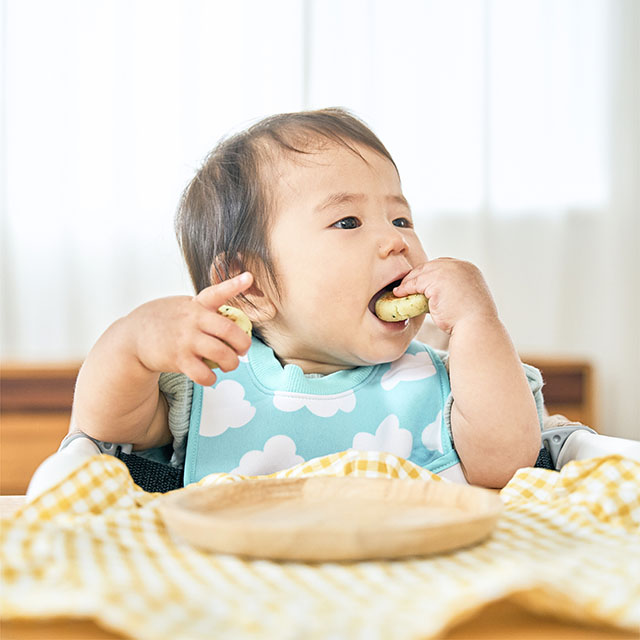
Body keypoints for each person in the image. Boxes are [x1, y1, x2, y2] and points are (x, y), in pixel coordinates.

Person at [65, 108, 545, 490]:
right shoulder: (209, 384)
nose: (396, 241)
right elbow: (106, 428)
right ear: (247, 285)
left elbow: (506, 466)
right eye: (348, 223)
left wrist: (479, 323)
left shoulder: (446, 385)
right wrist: (132, 342)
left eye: (400, 220)